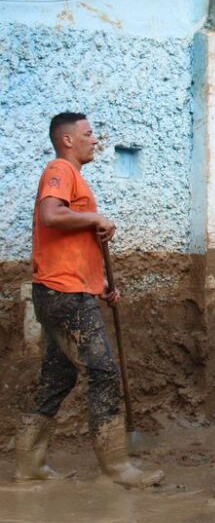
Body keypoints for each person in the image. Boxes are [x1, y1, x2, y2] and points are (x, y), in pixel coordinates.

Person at [15, 112, 165, 489]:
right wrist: (94, 217)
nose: (94, 139)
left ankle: (28, 463)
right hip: (62, 292)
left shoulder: (76, 179)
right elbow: (51, 215)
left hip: (67, 290)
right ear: (67, 140)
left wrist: (100, 285)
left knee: (58, 378)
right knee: (103, 372)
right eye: (88, 133)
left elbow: (71, 242)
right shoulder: (59, 169)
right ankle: (116, 467)